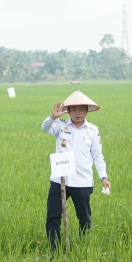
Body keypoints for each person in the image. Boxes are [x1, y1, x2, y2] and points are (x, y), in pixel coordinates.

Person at [41, 90, 110, 248]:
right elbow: (45, 128)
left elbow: (97, 156)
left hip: (82, 181)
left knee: (84, 217)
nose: (78, 113)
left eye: (81, 109)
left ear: (86, 111)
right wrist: (53, 117)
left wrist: (103, 177)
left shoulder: (92, 130)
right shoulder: (61, 125)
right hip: (59, 180)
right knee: (53, 216)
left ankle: (83, 246)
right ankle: (55, 249)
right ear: (68, 111)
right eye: (74, 109)